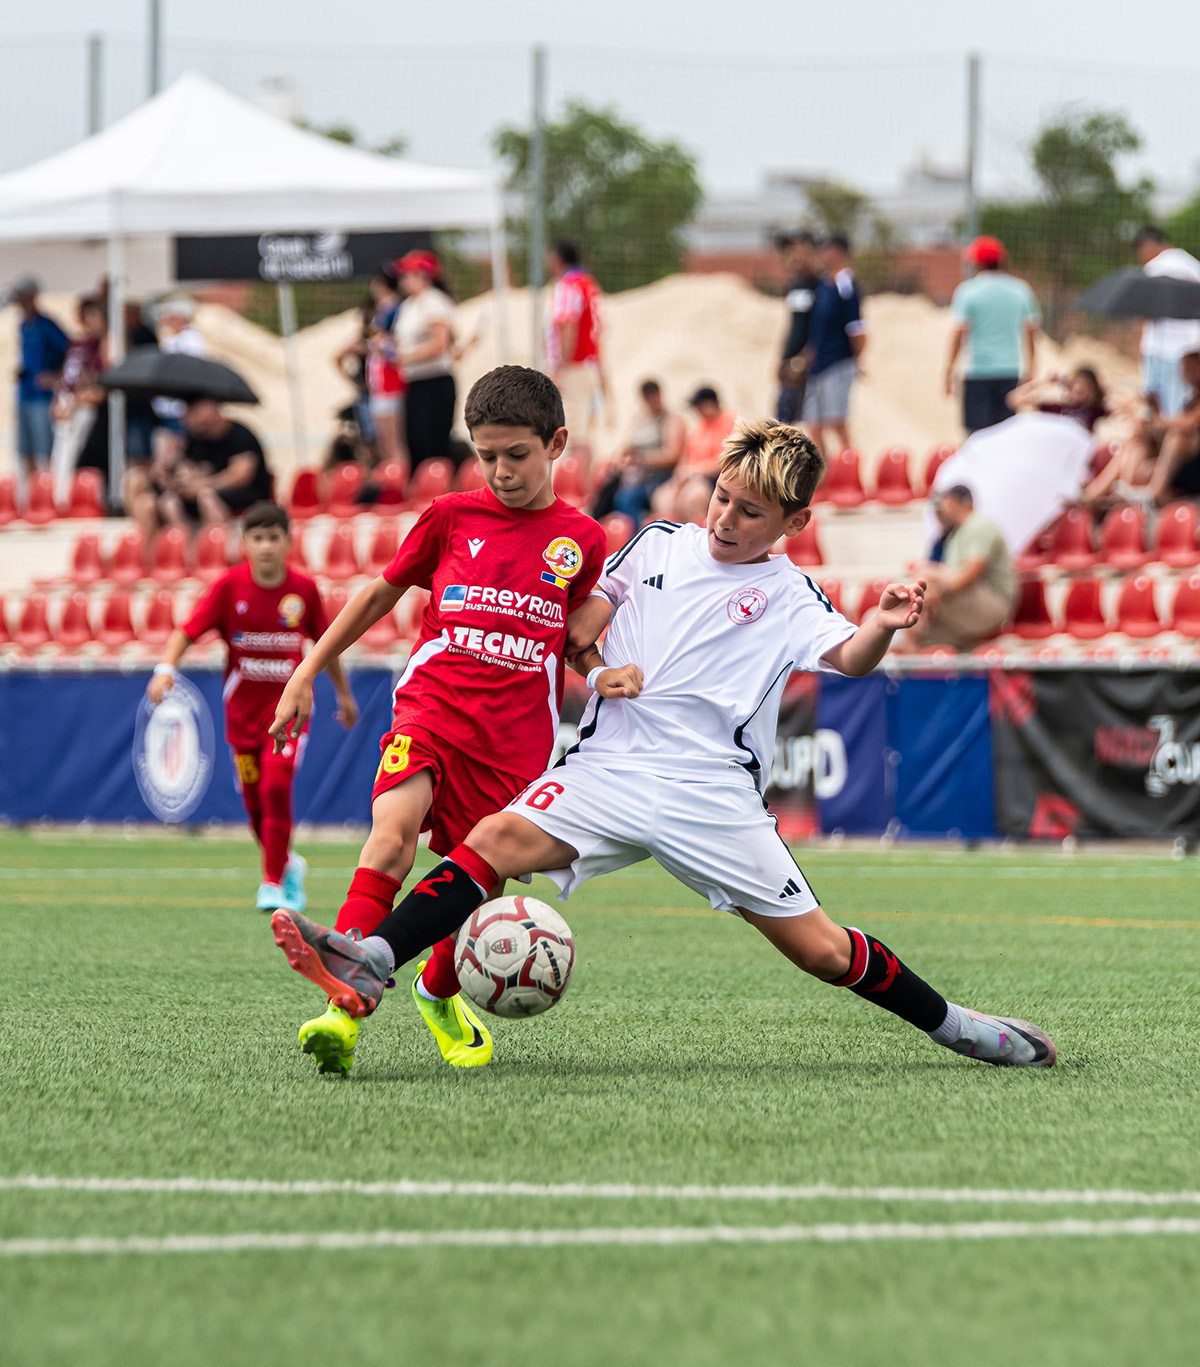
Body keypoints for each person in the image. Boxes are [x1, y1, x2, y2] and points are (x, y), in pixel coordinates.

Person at [270, 420, 1055, 1071]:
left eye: (751, 513)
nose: (725, 519)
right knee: (495, 837)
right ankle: (375, 958)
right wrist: (594, 660)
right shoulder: (655, 544)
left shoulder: (789, 594)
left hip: (710, 792)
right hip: (611, 766)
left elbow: (848, 657)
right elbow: (587, 614)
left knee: (819, 951)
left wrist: (882, 621)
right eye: (722, 496)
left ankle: (955, 1024)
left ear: (793, 524)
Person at [266, 365, 608, 1076]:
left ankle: (437, 993)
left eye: (517, 454)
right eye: (487, 456)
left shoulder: (581, 540)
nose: (502, 471)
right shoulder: (450, 516)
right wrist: (305, 670)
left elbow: (577, 640)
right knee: (389, 840)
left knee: (470, 890)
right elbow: (376, 595)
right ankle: (343, 1009)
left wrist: (607, 670)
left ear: (557, 444)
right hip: (432, 711)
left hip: (514, 747)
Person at [147, 501, 357, 911]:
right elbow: (186, 631)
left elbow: (327, 645)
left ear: (287, 542)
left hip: (289, 711)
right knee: (254, 803)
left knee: (277, 785)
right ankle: (288, 864)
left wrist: (344, 695)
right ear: (244, 543)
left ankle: (271, 882)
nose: (265, 546)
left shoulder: (304, 590)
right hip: (241, 716)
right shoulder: (229, 588)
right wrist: (165, 668)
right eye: (257, 538)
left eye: (273, 538)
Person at [945, 236, 1040, 435]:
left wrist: (948, 370)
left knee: (976, 436)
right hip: (1010, 370)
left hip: (977, 371)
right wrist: (1031, 371)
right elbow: (1031, 335)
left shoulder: (968, 291)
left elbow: (959, 335)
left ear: (977, 262)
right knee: (1004, 436)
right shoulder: (1020, 290)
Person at [1085, 352, 1200, 507]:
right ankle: (1100, 494)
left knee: (1177, 436)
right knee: (1136, 441)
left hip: (1193, 464)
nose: (1184, 372)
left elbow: (1189, 423)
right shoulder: (1190, 399)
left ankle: (1154, 492)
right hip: (1175, 462)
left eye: (1189, 367)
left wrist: (1159, 422)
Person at [910, 486, 1015, 649]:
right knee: (913, 630)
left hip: (993, 604)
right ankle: (913, 671)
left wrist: (938, 595)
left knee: (927, 576)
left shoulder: (979, 525)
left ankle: (917, 611)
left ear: (952, 502)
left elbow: (972, 573)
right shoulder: (956, 533)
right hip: (966, 600)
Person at [802, 235, 866, 456]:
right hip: (818, 364)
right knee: (814, 423)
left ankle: (850, 468)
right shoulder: (824, 285)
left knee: (837, 420)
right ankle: (822, 476)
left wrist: (856, 359)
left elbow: (858, 330)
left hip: (837, 361)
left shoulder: (845, 284)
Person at [394, 250, 456, 471]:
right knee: (415, 443)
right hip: (414, 380)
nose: (402, 279)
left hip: (434, 378)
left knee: (432, 444)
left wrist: (406, 356)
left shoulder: (434, 302)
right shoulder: (408, 305)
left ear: (423, 275)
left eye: (407, 274)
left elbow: (440, 343)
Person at [590, 380, 686, 525]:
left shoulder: (671, 420)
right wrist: (622, 460)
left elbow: (672, 455)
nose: (652, 400)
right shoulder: (640, 420)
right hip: (633, 475)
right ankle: (598, 527)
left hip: (657, 476)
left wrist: (642, 459)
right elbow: (626, 446)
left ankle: (634, 538)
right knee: (606, 490)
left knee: (626, 498)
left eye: (654, 395)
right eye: (648, 397)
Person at [544, 240, 606, 456]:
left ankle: (577, 486)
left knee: (574, 432)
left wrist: (559, 368)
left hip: (573, 365)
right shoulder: (589, 284)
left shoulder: (567, 287)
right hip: (588, 364)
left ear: (557, 258)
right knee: (583, 431)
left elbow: (567, 328)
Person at [1135, 226, 1200, 417]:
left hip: (1158, 348)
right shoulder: (1192, 265)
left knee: (1154, 406)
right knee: (1177, 406)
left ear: (1146, 247)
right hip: (1187, 346)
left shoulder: (1155, 267)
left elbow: (1144, 311)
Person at [49, 297, 108, 506]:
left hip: (83, 407)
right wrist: (59, 400)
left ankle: (75, 499)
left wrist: (76, 401)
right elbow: (67, 376)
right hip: (69, 402)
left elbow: (98, 383)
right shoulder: (77, 344)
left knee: (78, 454)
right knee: (61, 455)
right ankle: (59, 499)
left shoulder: (101, 345)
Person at [10, 276, 69, 482]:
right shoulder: (24, 325)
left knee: (44, 449)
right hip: (24, 395)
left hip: (41, 397)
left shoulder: (46, 325)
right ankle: (31, 495)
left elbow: (69, 349)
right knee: (26, 450)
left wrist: (56, 376)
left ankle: (47, 491)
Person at [652, 386, 737, 524]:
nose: (696, 411)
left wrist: (695, 471)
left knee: (693, 497)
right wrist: (680, 474)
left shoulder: (731, 421)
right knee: (662, 496)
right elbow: (686, 456)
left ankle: (698, 538)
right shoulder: (700, 427)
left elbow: (728, 460)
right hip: (692, 476)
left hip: (715, 478)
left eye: (698, 406)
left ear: (709, 404)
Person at [774, 230, 821, 425]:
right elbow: (792, 326)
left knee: (809, 426)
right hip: (789, 364)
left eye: (801, 252)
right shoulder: (796, 285)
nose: (796, 257)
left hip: (808, 367)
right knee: (783, 422)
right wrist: (781, 359)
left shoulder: (822, 286)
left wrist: (804, 359)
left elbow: (821, 328)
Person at [365, 267, 408, 468]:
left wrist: (381, 345)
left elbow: (395, 345)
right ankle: (391, 475)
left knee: (393, 440)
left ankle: (399, 480)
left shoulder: (395, 309)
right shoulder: (382, 309)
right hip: (379, 382)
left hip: (390, 381)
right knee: (384, 441)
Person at [1007, 368, 1108, 433]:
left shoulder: (1093, 410)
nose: (1080, 389)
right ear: (1070, 385)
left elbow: (1120, 406)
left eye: (1087, 387)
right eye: (1078, 384)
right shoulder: (1055, 406)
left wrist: (1104, 388)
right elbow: (1014, 400)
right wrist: (1042, 382)